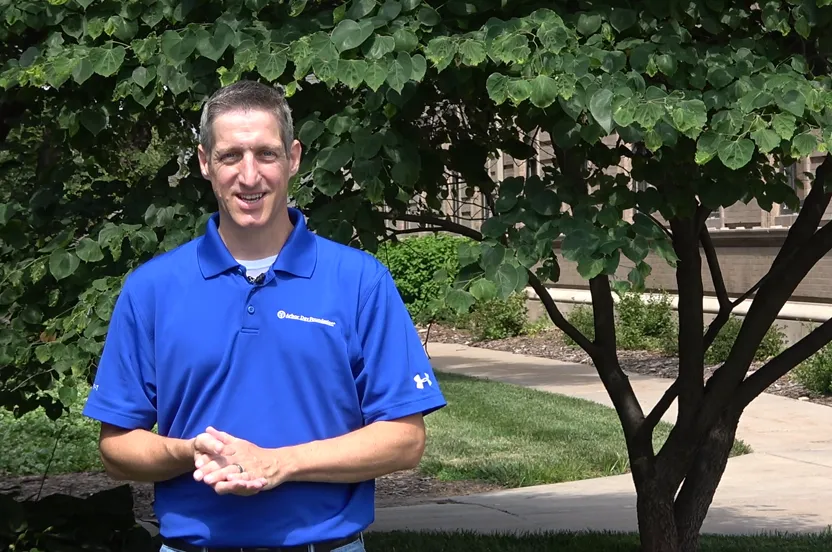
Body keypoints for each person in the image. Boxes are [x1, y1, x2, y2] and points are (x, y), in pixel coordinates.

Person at [82, 80, 447, 552]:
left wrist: (281, 463)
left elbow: (404, 440)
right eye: (231, 155)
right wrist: (186, 451)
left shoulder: (359, 281)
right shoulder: (153, 288)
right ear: (204, 163)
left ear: (293, 158)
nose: (249, 176)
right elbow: (116, 448)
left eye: (266, 154)